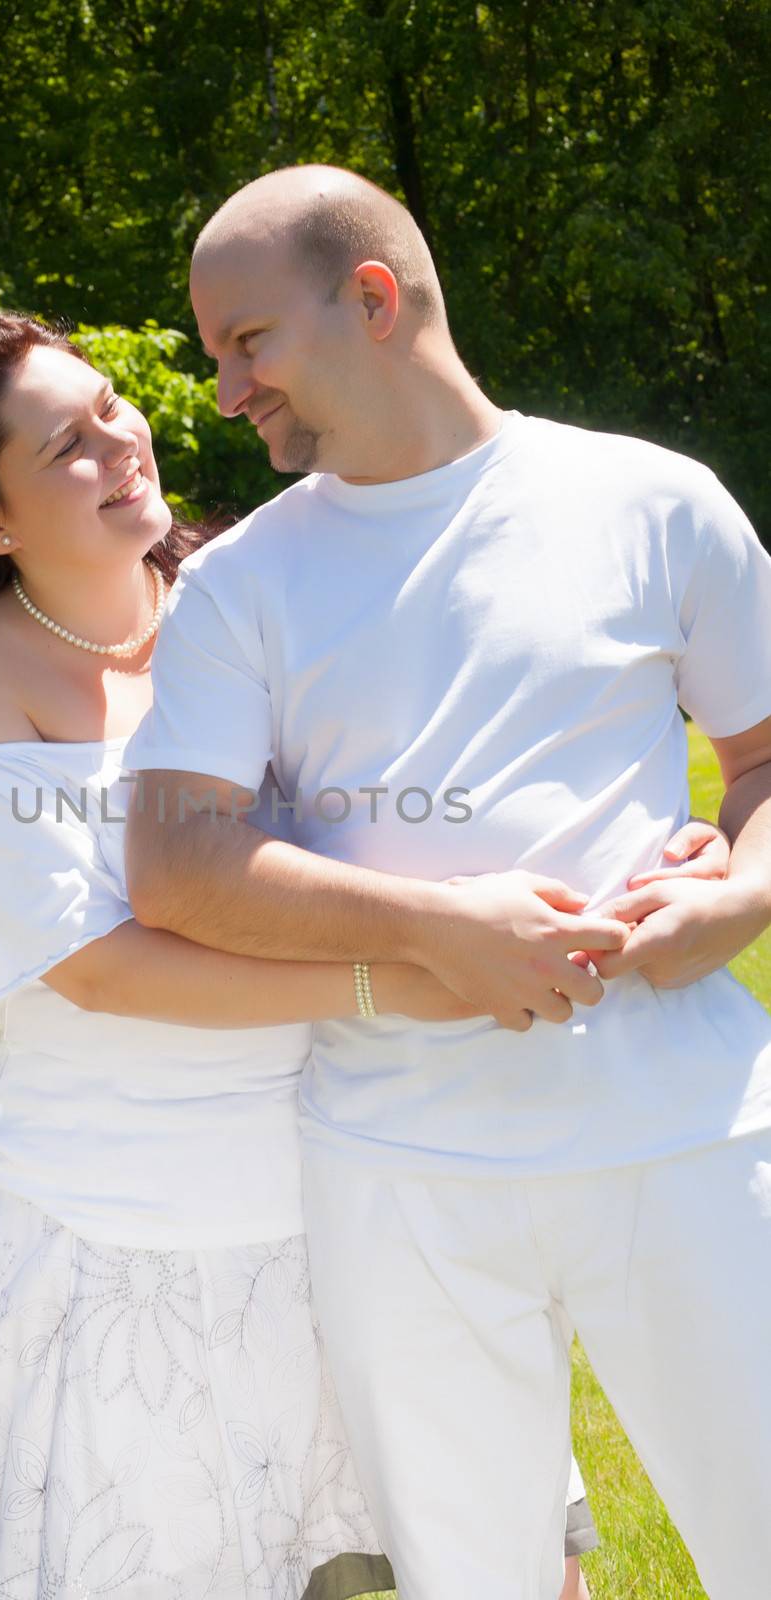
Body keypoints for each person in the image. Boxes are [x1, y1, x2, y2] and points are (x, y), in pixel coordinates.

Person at [0, 312, 661, 1598]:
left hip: (357, 1150)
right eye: (66, 443)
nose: (120, 441)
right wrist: (398, 970)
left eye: (110, 402)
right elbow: (102, 969)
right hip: (124, 1214)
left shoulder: (246, 586)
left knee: (499, 1549)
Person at [122, 165, 771, 1600]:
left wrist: (736, 893)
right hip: (397, 1172)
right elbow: (171, 859)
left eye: (247, 343)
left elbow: (762, 758)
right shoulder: (239, 584)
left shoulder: (653, 503)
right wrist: (429, 928)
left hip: (688, 1131)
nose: (225, 392)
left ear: (369, 301)